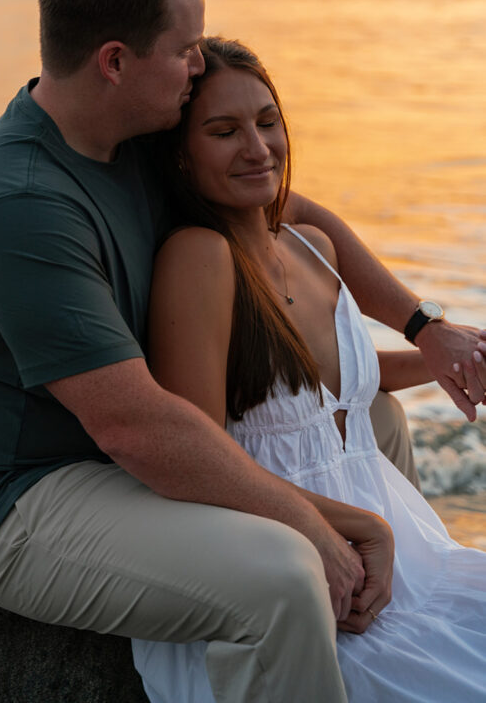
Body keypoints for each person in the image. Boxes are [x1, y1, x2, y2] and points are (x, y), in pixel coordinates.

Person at [0, 0, 485, 703]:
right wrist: (314, 525)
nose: (197, 66)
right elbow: (137, 428)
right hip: (27, 496)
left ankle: (385, 621)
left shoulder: (125, 141)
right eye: (184, 50)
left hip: (113, 456)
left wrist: (422, 329)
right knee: (284, 575)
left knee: (374, 419)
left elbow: (286, 210)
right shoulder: (23, 206)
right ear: (115, 61)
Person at [131, 36, 486, 702]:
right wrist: (353, 530)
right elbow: (199, 462)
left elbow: (321, 388)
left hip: (402, 556)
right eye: (223, 131)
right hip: (299, 572)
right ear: (180, 155)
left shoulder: (309, 246)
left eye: (267, 122)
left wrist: (444, 359)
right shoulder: (197, 258)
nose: (258, 148)